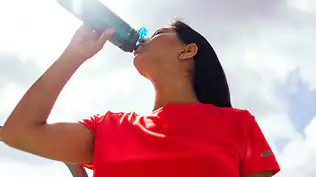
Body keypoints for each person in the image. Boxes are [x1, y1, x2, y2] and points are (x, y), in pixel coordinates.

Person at [1, 20, 280, 177]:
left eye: (157, 33)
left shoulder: (237, 124)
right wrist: (74, 54)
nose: (143, 38)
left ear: (187, 51)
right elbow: (18, 132)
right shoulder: (109, 128)